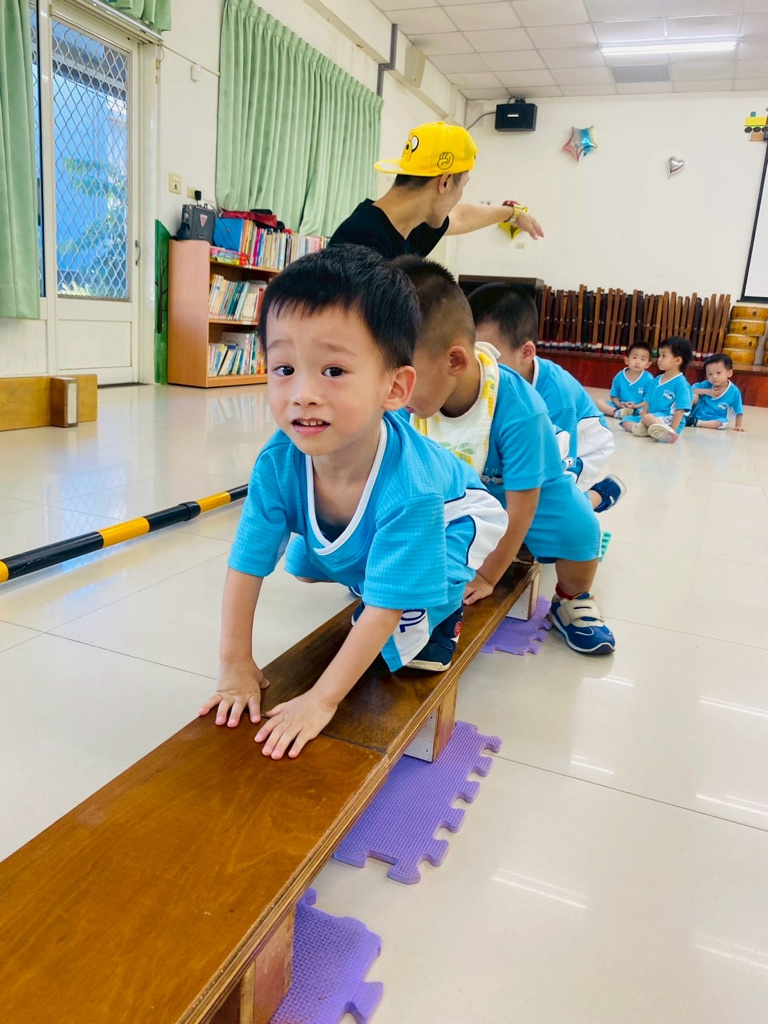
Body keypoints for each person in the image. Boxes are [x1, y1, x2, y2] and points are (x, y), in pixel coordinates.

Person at [199, 246, 508, 760]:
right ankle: (376, 567)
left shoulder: (412, 488)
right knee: (307, 566)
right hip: (383, 514)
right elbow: (247, 563)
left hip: (459, 515)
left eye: (334, 371)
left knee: (409, 624)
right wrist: (235, 663)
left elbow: (385, 608)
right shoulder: (277, 462)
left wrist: (321, 700)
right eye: (284, 367)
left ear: (395, 387)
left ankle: (442, 611)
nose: (302, 393)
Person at [394, 256, 615, 657]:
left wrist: (488, 575)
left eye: (405, 376)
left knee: (582, 530)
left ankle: (573, 598)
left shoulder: (519, 407)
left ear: (455, 361)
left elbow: (523, 506)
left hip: (529, 492)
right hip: (462, 492)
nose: (393, 389)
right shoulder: (408, 402)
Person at [467, 283, 624, 513]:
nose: (477, 365)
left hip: (583, 444)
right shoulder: (492, 379)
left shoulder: (556, 398)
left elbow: (553, 473)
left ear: (526, 353)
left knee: (560, 502)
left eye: (488, 355)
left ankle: (602, 495)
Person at [328, 121, 543, 260]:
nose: (460, 196)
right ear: (445, 182)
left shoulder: (411, 226)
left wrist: (513, 213)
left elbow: (462, 216)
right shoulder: (361, 243)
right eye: (463, 185)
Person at [621, 337, 694, 444]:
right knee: (625, 421)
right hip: (653, 417)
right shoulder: (656, 380)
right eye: (659, 355)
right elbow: (647, 403)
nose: (659, 359)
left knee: (648, 417)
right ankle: (646, 429)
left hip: (670, 420)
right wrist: (643, 418)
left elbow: (680, 411)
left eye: (663, 356)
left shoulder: (681, 383)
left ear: (677, 360)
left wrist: (673, 430)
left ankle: (666, 433)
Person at [595, 340, 655, 419]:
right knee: (599, 403)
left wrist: (636, 406)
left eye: (642, 359)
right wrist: (619, 404)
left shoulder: (649, 378)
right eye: (634, 358)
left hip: (639, 407)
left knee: (647, 413)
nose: (637, 362)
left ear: (648, 364)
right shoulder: (620, 376)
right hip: (622, 407)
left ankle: (635, 417)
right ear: (626, 360)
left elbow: (648, 400)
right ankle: (618, 413)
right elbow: (613, 396)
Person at [688, 353, 746, 431]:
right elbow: (690, 390)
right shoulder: (706, 384)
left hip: (716, 418)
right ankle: (684, 415)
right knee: (693, 395)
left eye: (718, 373)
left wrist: (738, 425)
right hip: (697, 412)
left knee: (722, 423)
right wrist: (707, 391)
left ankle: (695, 422)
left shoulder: (734, 391)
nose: (714, 377)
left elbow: (739, 411)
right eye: (710, 374)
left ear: (729, 373)